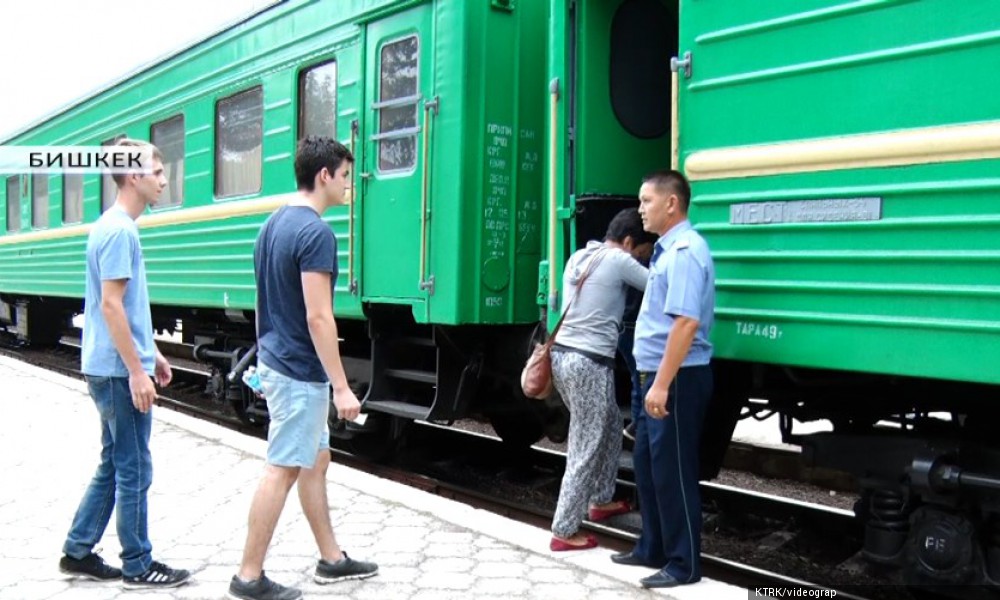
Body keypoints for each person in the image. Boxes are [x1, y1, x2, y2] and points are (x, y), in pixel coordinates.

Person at [228, 136, 378, 600]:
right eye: (346, 176)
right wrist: (341, 388)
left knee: (316, 460)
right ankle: (248, 577)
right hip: (299, 372)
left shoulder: (272, 224)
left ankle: (332, 560)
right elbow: (318, 316)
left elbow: (263, 301)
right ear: (324, 176)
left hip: (279, 359)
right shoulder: (316, 233)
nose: (349, 186)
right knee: (283, 468)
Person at [60, 139, 191, 589]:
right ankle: (138, 563)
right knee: (135, 466)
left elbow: (116, 308)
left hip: (109, 364)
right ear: (133, 176)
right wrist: (137, 370)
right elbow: (112, 306)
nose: (163, 178)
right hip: (117, 372)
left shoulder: (111, 226)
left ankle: (78, 549)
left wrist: (152, 353)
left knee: (114, 462)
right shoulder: (120, 232)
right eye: (157, 170)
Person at [611, 169, 715, 589]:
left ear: (671, 203)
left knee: (673, 469)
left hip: (676, 377)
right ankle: (651, 545)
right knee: (649, 465)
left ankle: (683, 563)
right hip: (652, 373)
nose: (640, 210)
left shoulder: (686, 251)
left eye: (646, 201)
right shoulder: (665, 251)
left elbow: (686, 323)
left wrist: (661, 383)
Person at [547, 208, 654, 551]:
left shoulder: (580, 255)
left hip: (562, 356)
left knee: (609, 425)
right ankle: (563, 530)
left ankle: (601, 499)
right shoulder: (618, 260)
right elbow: (658, 284)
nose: (641, 259)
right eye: (642, 252)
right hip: (589, 363)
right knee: (586, 445)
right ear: (627, 242)